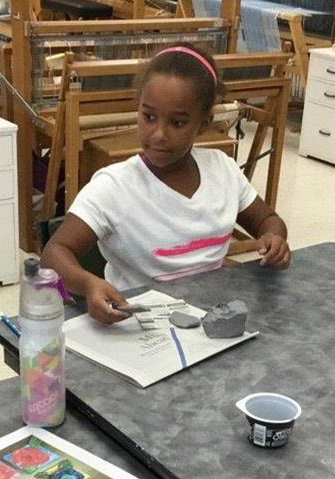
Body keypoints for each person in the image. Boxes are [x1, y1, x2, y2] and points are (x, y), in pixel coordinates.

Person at [41, 43, 291, 324]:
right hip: (140, 326)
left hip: (212, 318)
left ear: (203, 124)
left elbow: (267, 220)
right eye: (148, 117)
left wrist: (275, 238)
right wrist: (88, 284)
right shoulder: (114, 187)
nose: (158, 134)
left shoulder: (223, 170)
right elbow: (53, 254)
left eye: (177, 123)